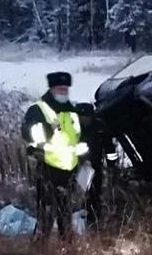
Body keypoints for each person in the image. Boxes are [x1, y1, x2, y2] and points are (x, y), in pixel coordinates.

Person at [21, 72, 89, 238]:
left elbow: (78, 138)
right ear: (51, 89)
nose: (63, 92)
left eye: (65, 89)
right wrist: (49, 127)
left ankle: (66, 253)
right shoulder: (38, 110)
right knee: (46, 215)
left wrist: (83, 159)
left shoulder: (72, 111)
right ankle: (40, 253)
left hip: (69, 171)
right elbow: (30, 137)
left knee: (66, 216)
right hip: (46, 169)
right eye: (60, 89)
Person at [74, 102, 118, 225]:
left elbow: (109, 148)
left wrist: (111, 165)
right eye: (81, 116)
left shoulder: (99, 127)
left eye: (86, 116)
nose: (84, 119)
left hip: (94, 167)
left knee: (94, 196)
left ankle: (93, 222)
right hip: (75, 167)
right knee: (75, 196)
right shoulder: (72, 128)